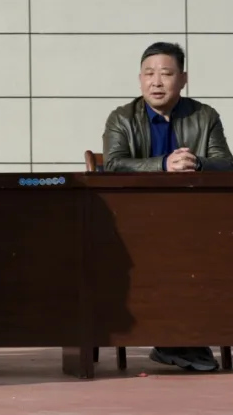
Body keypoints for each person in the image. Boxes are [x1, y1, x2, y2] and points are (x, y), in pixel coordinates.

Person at [102, 41, 232, 372]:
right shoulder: (121, 118)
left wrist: (197, 162)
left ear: (183, 79)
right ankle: (179, 342)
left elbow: (225, 164)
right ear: (140, 79)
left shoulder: (204, 116)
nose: (156, 82)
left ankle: (186, 340)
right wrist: (163, 164)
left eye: (166, 74)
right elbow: (113, 164)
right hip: (137, 221)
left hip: (196, 219)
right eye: (149, 74)